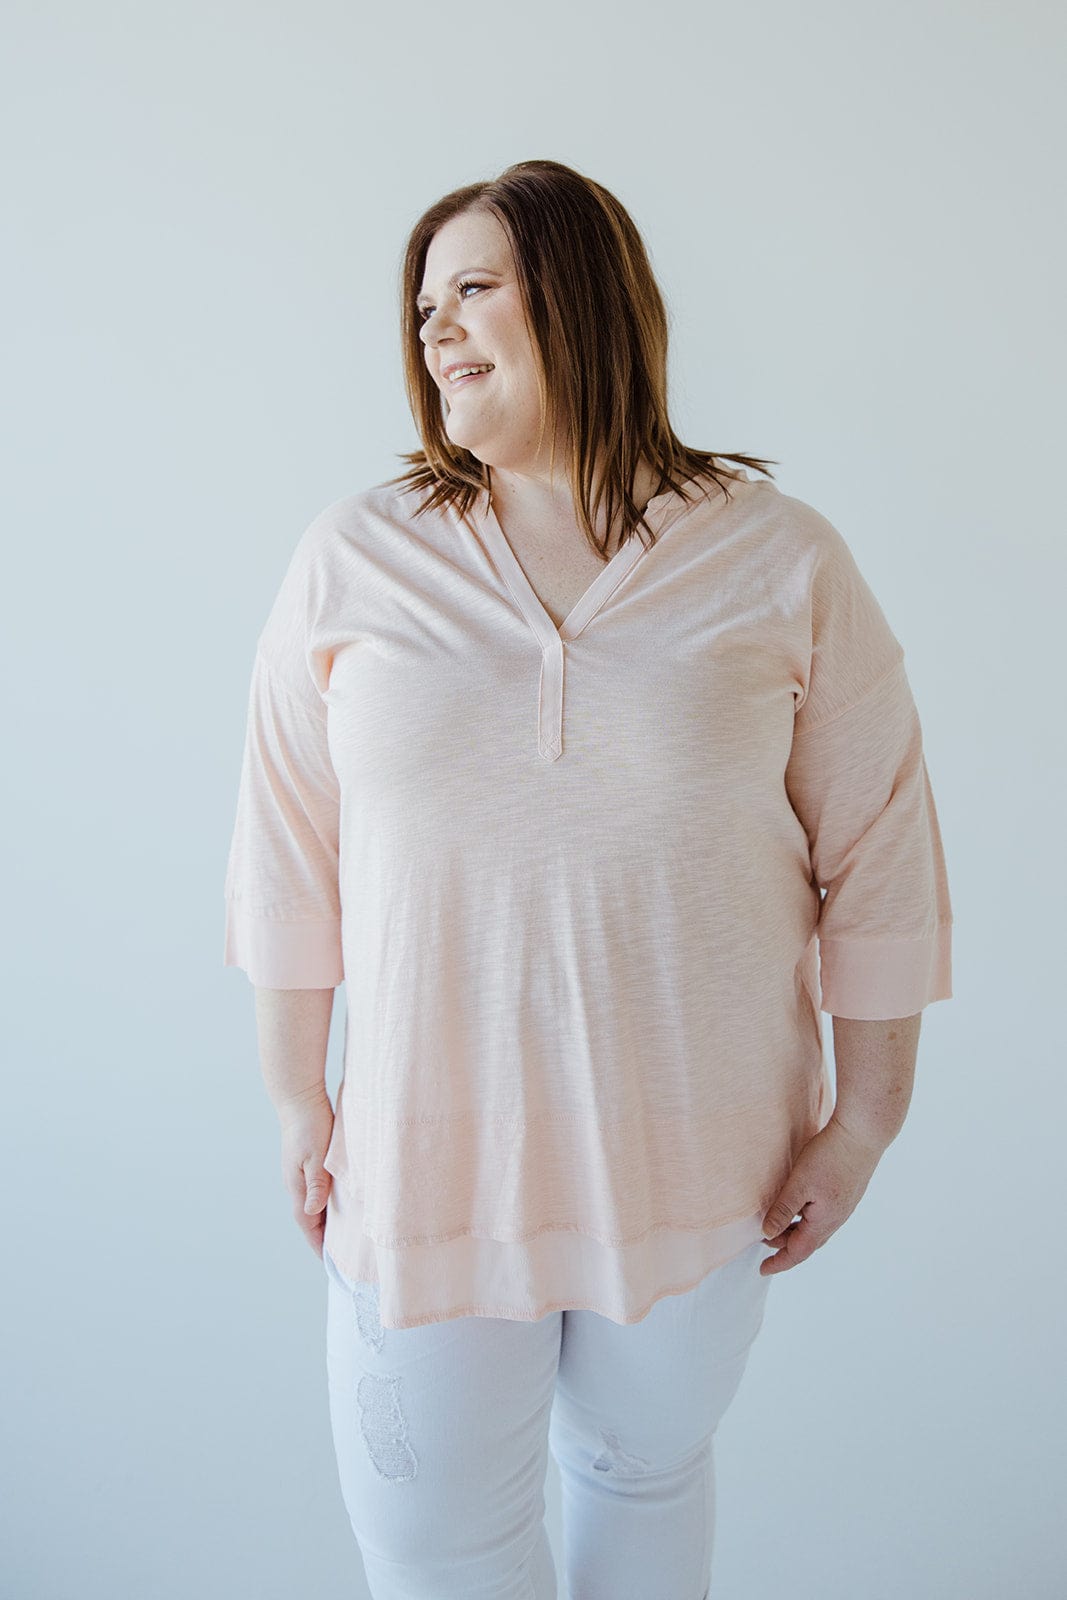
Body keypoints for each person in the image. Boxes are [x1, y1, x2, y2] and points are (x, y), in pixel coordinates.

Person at [222, 158, 953, 1599]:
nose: (436, 330)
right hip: (427, 1156)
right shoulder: (356, 560)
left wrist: (865, 1123)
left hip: (704, 1160)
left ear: (584, 299)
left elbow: (880, 850)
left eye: (475, 289)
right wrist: (298, 1097)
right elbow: (284, 845)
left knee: (644, 1478)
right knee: (438, 1550)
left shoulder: (781, 562)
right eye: (422, 304)